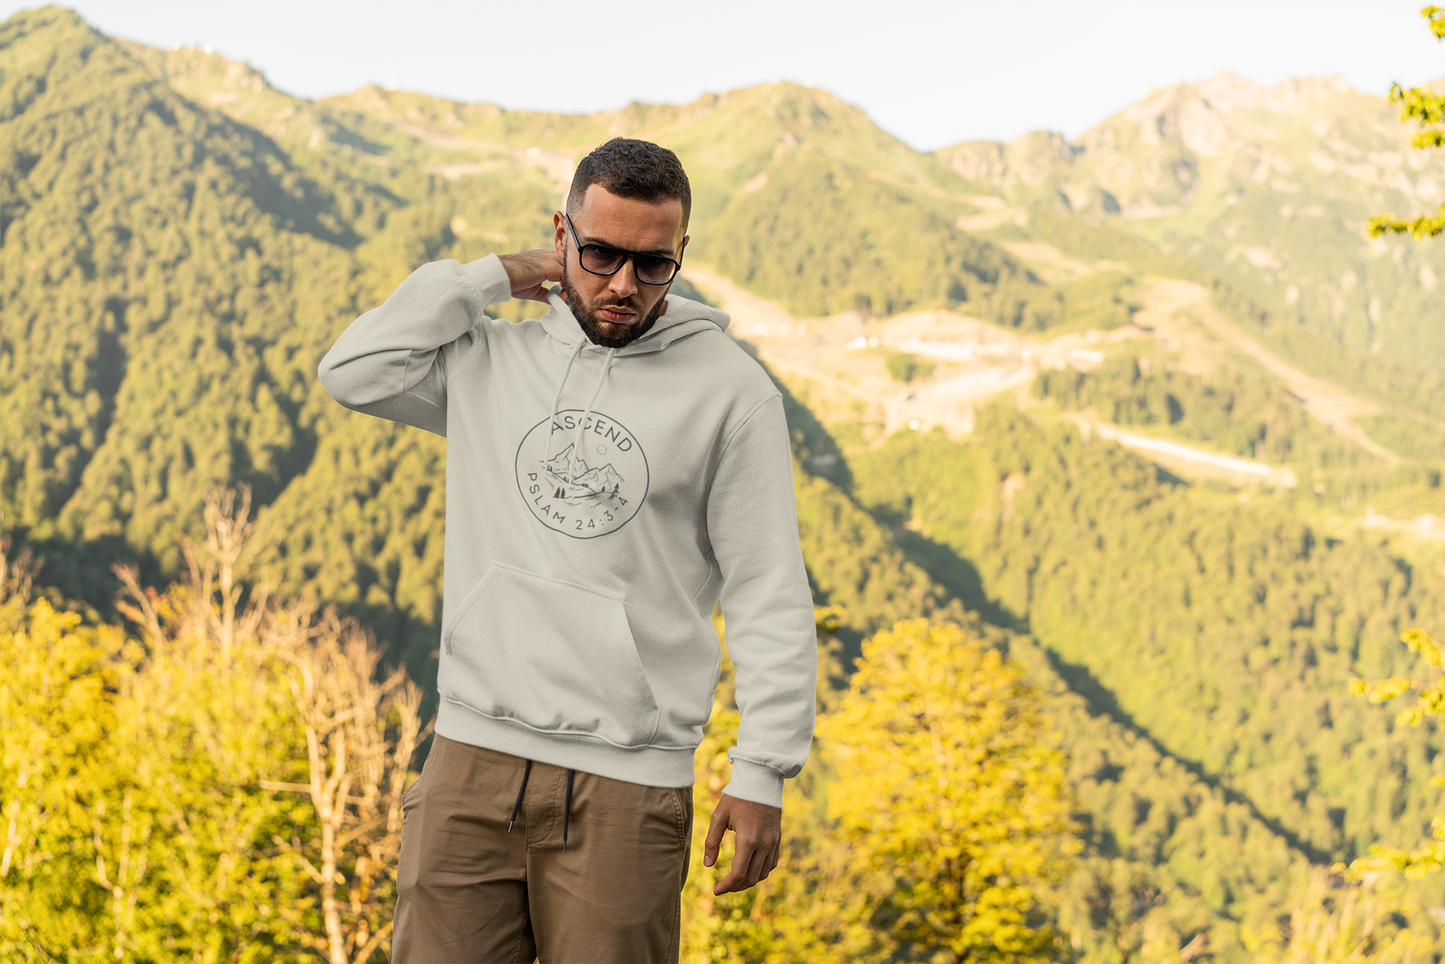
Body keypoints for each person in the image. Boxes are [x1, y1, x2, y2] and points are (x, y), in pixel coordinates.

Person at [318, 137, 817, 963]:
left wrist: (761, 770)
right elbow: (353, 371)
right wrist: (495, 276)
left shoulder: (731, 393)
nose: (623, 284)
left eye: (652, 264)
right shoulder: (489, 361)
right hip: (469, 764)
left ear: (680, 255)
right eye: (599, 253)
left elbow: (767, 588)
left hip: (630, 785)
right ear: (561, 236)